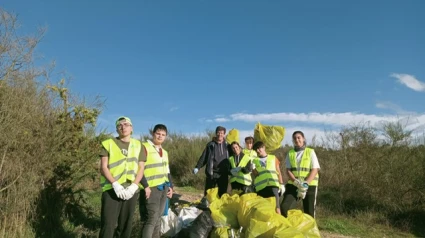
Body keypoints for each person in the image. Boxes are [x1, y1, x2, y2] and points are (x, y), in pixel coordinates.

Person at [99, 116, 145, 238]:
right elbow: (104, 167)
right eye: (120, 125)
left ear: (131, 128)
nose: (123, 127)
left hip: (131, 191)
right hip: (111, 189)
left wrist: (134, 186)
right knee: (107, 224)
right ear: (116, 129)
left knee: (126, 225)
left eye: (126, 124)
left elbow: (141, 168)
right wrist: (115, 184)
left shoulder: (139, 145)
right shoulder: (108, 143)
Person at [139, 124, 174, 238]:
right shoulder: (144, 147)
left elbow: (167, 171)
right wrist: (145, 186)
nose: (160, 136)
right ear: (153, 133)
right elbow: (139, 169)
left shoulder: (165, 152)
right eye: (158, 133)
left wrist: (171, 187)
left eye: (163, 135)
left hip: (163, 188)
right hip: (151, 188)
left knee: (158, 218)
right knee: (151, 219)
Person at [281, 131, 320, 219]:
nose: (297, 139)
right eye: (294, 138)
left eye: (299, 137)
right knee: (284, 207)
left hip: (310, 185)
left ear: (303, 138)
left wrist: (305, 184)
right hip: (294, 184)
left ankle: (310, 231)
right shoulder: (290, 153)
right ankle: (288, 230)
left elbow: (315, 169)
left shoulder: (310, 152)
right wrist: (296, 182)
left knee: (309, 212)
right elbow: (288, 170)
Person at [193, 126, 230, 197]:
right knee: (209, 191)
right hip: (212, 172)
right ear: (216, 133)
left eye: (222, 133)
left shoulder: (227, 145)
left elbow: (234, 155)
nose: (220, 134)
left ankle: (220, 207)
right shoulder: (210, 145)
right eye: (218, 132)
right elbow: (204, 157)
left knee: (222, 192)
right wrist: (197, 167)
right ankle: (206, 205)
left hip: (223, 173)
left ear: (224, 134)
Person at [252, 141, 285, 214]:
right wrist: (252, 168)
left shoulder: (273, 158)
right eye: (256, 150)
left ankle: (279, 223)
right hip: (261, 188)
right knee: (263, 209)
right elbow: (255, 174)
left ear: (263, 147)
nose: (257, 151)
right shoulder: (254, 161)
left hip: (273, 186)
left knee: (276, 207)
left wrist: (282, 184)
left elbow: (278, 172)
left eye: (259, 148)